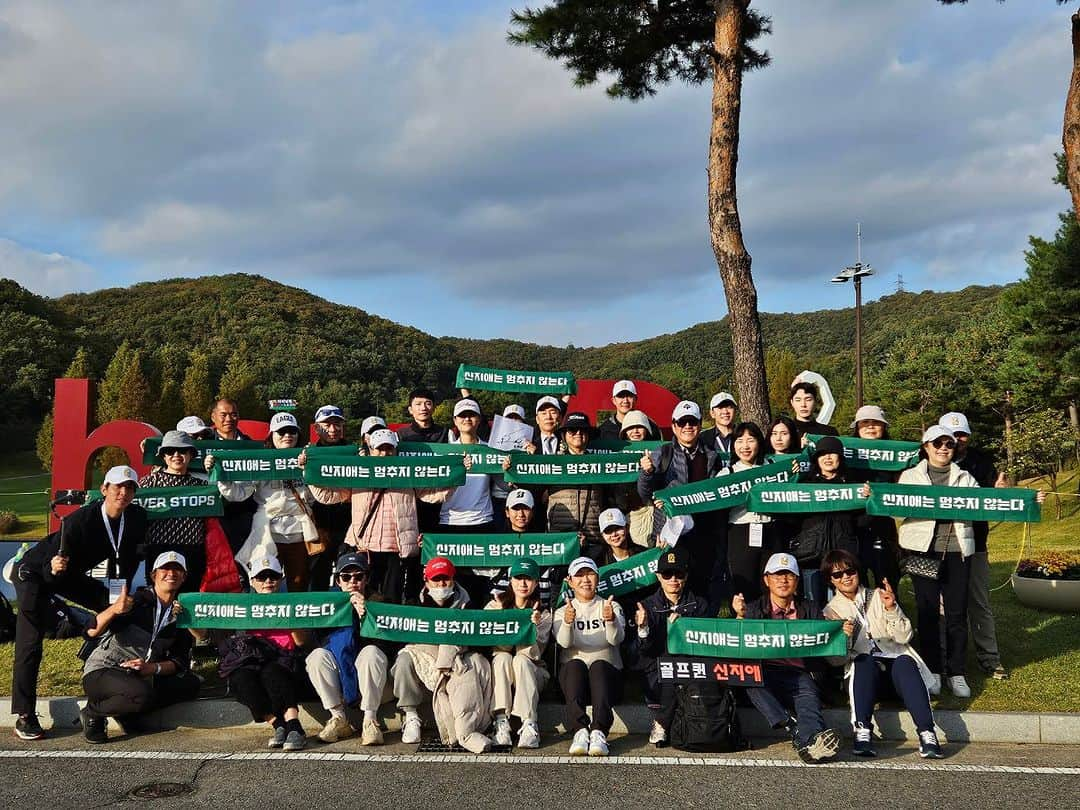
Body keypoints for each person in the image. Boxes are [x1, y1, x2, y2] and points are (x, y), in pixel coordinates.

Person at [11, 466, 147, 741]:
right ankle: (24, 714)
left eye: (130, 488)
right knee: (30, 643)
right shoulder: (78, 522)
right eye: (118, 487)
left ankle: (100, 665)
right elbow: (54, 571)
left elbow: (127, 561)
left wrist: (117, 598)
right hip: (36, 573)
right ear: (105, 489)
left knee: (119, 615)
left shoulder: (135, 517)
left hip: (70, 575)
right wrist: (52, 568)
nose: (123, 493)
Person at [304, 429, 454, 603]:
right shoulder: (358, 473)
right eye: (380, 449)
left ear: (396, 450)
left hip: (397, 550)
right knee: (363, 599)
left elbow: (433, 495)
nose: (385, 453)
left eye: (389, 448)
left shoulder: (408, 473)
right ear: (371, 449)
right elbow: (328, 496)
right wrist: (307, 473)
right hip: (365, 548)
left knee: (392, 601)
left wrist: (457, 477)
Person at [821, 549, 943, 759]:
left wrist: (891, 608)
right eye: (837, 575)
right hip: (865, 679)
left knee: (905, 659)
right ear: (831, 580)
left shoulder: (878, 596)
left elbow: (904, 637)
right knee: (863, 660)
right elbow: (835, 660)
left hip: (896, 674)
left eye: (849, 571)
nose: (845, 577)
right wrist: (845, 639)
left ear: (857, 571)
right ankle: (862, 731)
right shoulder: (829, 612)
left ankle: (927, 733)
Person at [732, 552, 843, 763]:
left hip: (798, 673)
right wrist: (740, 617)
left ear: (797, 581)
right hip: (765, 671)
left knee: (808, 698)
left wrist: (841, 633)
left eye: (789, 575)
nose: (783, 581)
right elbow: (737, 644)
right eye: (777, 575)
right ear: (766, 579)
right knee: (748, 676)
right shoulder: (754, 609)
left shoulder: (810, 609)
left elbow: (825, 643)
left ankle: (808, 743)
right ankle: (792, 726)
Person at [79, 551, 200, 743]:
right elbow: (90, 632)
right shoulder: (137, 602)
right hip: (104, 671)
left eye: (177, 569)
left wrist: (151, 668)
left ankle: (128, 713)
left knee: (190, 685)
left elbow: (179, 661)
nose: (171, 573)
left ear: (184, 576)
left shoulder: (181, 612)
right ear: (154, 575)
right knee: (141, 695)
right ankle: (93, 712)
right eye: (165, 569)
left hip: (140, 674)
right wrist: (114, 610)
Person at [897, 424, 980, 698]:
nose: (943, 448)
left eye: (949, 444)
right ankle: (931, 670)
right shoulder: (910, 476)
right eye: (938, 444)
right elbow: (897, 506)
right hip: (923, 551)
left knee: (957, 612)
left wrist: (1025, 497)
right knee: (928, 611)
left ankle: (956, 672)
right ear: (926, 447)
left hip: (957, 552)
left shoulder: (965, 477)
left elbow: (986, 504)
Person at [391, 557, 494, 753]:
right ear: (426, 581)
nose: (441, 584)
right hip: (425, 654)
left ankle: (470, 725)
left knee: (475, 664)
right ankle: (411, 714)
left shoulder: (468, 603)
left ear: (453, 579)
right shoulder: (414, 603)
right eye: (436, 579)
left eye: (445, 579)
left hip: (457, 655)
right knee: (403, 660)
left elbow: (477, 638)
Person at [208, 412, 317, 593]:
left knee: (299, 586)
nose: (287, 436)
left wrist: (310, 472)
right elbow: (238, 494)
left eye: (292, 431)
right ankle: (264, 622)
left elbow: (318, 496)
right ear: (271, 435)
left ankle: (298, 623)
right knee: (264, 587)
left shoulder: (310, 460)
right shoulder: (260, 461)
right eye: (281, 432)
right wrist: (220, 476)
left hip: (300, 534)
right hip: (267, 534)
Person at [940, 411, 1009, 680]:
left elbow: (997, 492)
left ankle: (990, 658)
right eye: (952, 435)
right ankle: (946, 659)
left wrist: (1002, 489)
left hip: (974, 542)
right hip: (940, 543)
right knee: (944, 605)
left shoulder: (981, 460)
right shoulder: (928, 460)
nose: (958, 440)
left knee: (979, 601)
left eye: (963, 435)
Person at [221, 555, 309, 751]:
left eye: (273, 577)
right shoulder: (242, 607)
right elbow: (205, 630)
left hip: (284, 658)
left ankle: (294, 725)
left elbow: (301, 641)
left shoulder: (292, 603)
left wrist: (290, 618)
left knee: (273, 672)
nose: (268, 581)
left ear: (281, 579)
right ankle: (277, 724)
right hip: (253, 658)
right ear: (252, 582)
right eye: (261, 577)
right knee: (240, 677)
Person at [305, 551, 394, 745]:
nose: (352, 581)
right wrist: (343, 613)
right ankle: (338, 718)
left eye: (358, 576)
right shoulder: (328, 603)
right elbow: (315, 640)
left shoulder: (379, 601)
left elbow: (386, 646)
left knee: (371, 653)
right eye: (346, 577)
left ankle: (370, 721)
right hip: (342, 677)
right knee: (316, 657)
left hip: (375, 681)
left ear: (366, 579)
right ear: (338, 581)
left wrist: (365, 617)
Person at [638, 400, 722, 604]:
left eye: (692, 422)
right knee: (671, 586)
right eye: (682, 423)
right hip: (670, 534)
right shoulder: (662, 453)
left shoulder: (711, 456)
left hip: (702, 533)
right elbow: (645, 494)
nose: (687, 427)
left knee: (700, 588)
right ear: (674, 426)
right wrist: (647, 473)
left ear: (700, 425)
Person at [634, 545, 710, 746]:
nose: (673, 579)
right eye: (667, 574)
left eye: (679, 573)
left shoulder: (699, 604)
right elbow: (644, 651)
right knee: (670, 662)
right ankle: (664, 722)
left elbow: (706, 643)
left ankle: (661, 722)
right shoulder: (647, 605)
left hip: (691, 667)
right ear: (658, 576)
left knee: (680, 661)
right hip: (656, 669)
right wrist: (643, 628)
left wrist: (683, 629)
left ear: (686, 576)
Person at [553, 556, 626, 757]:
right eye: (579, 575)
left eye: (590, 574)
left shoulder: (611, 606)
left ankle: (599, 732)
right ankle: (580, 731)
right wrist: (568, 623)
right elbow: (564, 643)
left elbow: (616, 639)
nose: (585, 580)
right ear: (570, 581)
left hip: (607, 682)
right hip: (574, 685)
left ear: (597, 577)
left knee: (599, 666)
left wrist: (610, 620)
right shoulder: (562, 611)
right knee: (575, 664)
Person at [484, 557, 552, 749]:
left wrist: (533, 627)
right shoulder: (495, 606)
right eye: (518, 578)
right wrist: (501, 617)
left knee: (521, 660)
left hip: (533, 673)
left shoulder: (543, 613)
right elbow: (496, 646)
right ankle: (501, 722)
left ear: (536, 583)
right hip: (502, 673)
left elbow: (534, 654)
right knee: (503, 657)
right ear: (510, 580)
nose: (523, 584)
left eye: (528, 579)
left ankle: (529, 723)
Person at [791, 435, 864, 609]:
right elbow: (792, 518)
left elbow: (860, 522)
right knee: (813, 607)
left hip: (843, 560)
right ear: (816, 458)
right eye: (823, 454)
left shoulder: (852, 486)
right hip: (811, 557)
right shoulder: (805, 485)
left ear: (840, 457)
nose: (828, 458)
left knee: (846, 611)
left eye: (833, 453)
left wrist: (868, 501)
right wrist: (792, 480)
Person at [721, 422, 784, 605]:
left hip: (771, 529)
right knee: (743, 584)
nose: (745, 446)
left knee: (772, 581)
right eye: (740, 441)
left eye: (750, 440)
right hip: (740, 531)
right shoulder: (727, 473)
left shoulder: (773, 467)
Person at [139, 430, 209, 592]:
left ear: (191, 455)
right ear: (163, 456)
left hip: (192, 551)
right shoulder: (149, 483)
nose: (176, 455)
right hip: (158, 548)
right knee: (158, 596)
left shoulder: (201, 486)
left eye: (182, 451)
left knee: (189, 597)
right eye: (170, 451)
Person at [546, 412, 611, 564]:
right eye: (572, 430)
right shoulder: (553, 462)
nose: (578, 433)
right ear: (563, 435)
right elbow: (532, 488)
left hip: (593, 538)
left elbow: (611, 497)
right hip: (560, 539)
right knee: (560, 584)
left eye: (583, 430)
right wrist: (513, 472)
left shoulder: (601, 464)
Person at [849, 405, 901, 590]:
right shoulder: (847, 452)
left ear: (884, 427)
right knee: (857, 584)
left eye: (876, 423)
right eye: (865, 422)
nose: (870, 427)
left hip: (883, 527)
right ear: (857, 427)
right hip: (854, 527)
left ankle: (891, 617)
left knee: (887, 581)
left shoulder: (897, 455)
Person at [308, 405, 353, 590]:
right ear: (317, 428)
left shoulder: (354, 452)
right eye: (327, 425)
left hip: (349, 524)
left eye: (337, 424)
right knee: (318, 576)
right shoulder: (308, 453)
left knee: (351, 576)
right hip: (320, 525)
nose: (333, 429)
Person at [207, 398, 258, 560]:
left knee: (242, 564)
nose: (229, 419)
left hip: (245, 514)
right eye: (223, 415)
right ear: (213, 417)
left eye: (233, 414)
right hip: (213, 515)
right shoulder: (203, 445)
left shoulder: (251, 446)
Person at [490, 489, 557, 608]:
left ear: (532, 511)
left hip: (537, 604)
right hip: (500, 604)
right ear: (507, 512)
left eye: (525, 508)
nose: (520, 514)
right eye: (515, 509)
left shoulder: (543, 541)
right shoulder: (495, 541)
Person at [396, 388, 449, 532]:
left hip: (437, 497)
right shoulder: (401, 435)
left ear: (434, 407)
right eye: (418, 404)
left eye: (428, 403)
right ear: (410, 409)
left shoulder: (445, 433)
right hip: (408, 498)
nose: (423, 408)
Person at [613, 410, 655, 547]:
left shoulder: (658, 451)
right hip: (624, 514)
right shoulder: (616, 453)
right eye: (630, 428)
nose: (635, 431)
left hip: (648, 512)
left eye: (639, 427)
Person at [701, 392, 738, 462]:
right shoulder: (702, 438)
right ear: (712, 413)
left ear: (735, 410)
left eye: (729, 407)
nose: (725, 411)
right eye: (720, 407)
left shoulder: (744, 435)